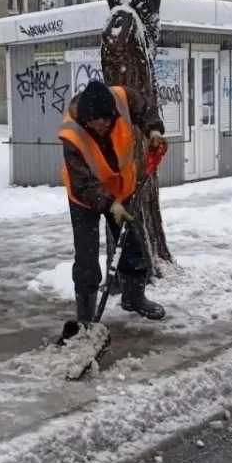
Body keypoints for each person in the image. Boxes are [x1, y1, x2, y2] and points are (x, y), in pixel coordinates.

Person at [60, 80, 167, 324]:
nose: (104, 125)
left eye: (108, 119)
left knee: (131, 244)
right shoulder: (71, 135)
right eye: (98, 121)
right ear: (86, 118)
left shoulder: (122, 98)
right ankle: (86, 319)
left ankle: (134, 298)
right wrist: (110, 206)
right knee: (86, 256)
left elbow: (146, 109)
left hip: (122, 188)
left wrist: (154, 131)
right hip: (85, 197)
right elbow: (82, 184)